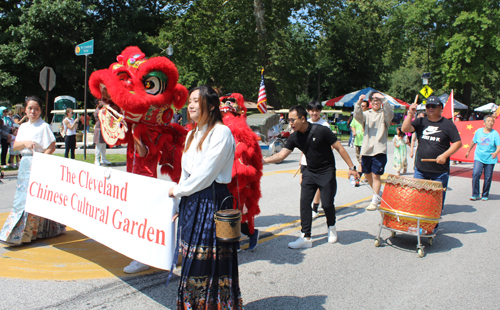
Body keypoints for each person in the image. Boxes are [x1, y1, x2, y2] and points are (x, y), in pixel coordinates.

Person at [168, 86, 242, 309]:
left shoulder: (221, 133)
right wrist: (179, 204)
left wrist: (178, 191)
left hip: (211, 202)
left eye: (196, 101)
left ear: (210, 106)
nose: (190, 105)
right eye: (189, 101)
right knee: (191, 259)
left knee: (210, 261)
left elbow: (206, 174)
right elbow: (186, 173)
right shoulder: (191, 134)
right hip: (192, 201)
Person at [264, 105, 359, 248]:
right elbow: (281, 155)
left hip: (326, 172)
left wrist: (352, 168)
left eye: (292, 120)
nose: (290, 123)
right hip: (309, 171)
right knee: (304, 203)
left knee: (327, 204)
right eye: (289, 120)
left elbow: (339, 148)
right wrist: (263, 161)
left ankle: (331, 228)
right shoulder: (294, 136)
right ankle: (306, 237)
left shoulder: (322, 131)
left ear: (303, 119)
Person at [0, 96, 65, 246]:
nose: (33, 111)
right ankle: (24, 232)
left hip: (38, 163)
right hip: (25, 163)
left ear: (41, 110)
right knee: (22, 198)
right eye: (30, 108)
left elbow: (52, 146)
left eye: (36, 108)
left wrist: (41, 160)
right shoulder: (23, 127)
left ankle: (21, 233)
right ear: (25, 110)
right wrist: (25, 143)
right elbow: (15, 146)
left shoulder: (44, 127)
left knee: (34, 198)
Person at [402, 95, 462, 206]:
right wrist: (410, 114)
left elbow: (458, 143)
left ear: (441, 108)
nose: (430, 108)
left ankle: (433, 222)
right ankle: (420, 222)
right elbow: (405, 129)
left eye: (434, 106)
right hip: (421, 169)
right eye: (428, 106)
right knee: (418, 200)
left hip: (439, 171)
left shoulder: (448, 124)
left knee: (435, 203)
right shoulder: (420, 121)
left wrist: (445, 155)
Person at [354, 91, 394, 211]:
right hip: (366, 149)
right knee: (367, 174)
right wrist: (359, 103)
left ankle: (374, 200)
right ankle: (376, 194)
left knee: (376, 175)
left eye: (378, 100)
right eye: (373, 101)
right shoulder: (367, 114)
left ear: (381, 102)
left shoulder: (384, 114)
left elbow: (390, 112)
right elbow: (358, 116)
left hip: (379, 150)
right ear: (370, 103)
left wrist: (384, 99)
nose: (376, 102)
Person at [301, 100, 333, 220]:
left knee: (318, 185)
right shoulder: (305, 123)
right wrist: (301, 159)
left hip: (320, 161)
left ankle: (315, 207)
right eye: (312, 110)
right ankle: (309, 206)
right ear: (308, 111)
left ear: (320, 112)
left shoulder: (325, 126)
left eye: (317, 111)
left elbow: (332, 144)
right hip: (306, 160)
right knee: (304, 184)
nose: (314, 113)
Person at [465, 115, 500, 201]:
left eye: (492, 121)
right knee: (476, 173)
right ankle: (475, 194)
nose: (490, 123)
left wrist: (496, 152)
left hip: (490, 158)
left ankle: (485, 194)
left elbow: (499, 146)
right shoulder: (479, 131)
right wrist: (468, 151)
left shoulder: (495, 133)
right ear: (484, 123)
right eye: (488, 121)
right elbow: (473, 141)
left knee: (488, 177)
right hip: (479, 157)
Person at [350, 99, 369, 185]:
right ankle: (367, 175)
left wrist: (366, 130)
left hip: (365, 143)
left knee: (362, 161)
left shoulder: (368, 116)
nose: (362, 108)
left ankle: (357, 178)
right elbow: (352, 125)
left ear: (367, 107)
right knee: (360, 161)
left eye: (363, 106)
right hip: (357, 142)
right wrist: (354, 131)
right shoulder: (356, 117)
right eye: (361, 106)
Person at [93, 100, 110, 166]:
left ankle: (103, 159)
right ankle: (96, 160)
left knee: (103, 145)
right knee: (98, 145)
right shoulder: (98, 111)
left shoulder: (101, 110)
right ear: (97, 104)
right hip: (99, 129)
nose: (102, 103)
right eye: (100, 102)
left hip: (103, 128)